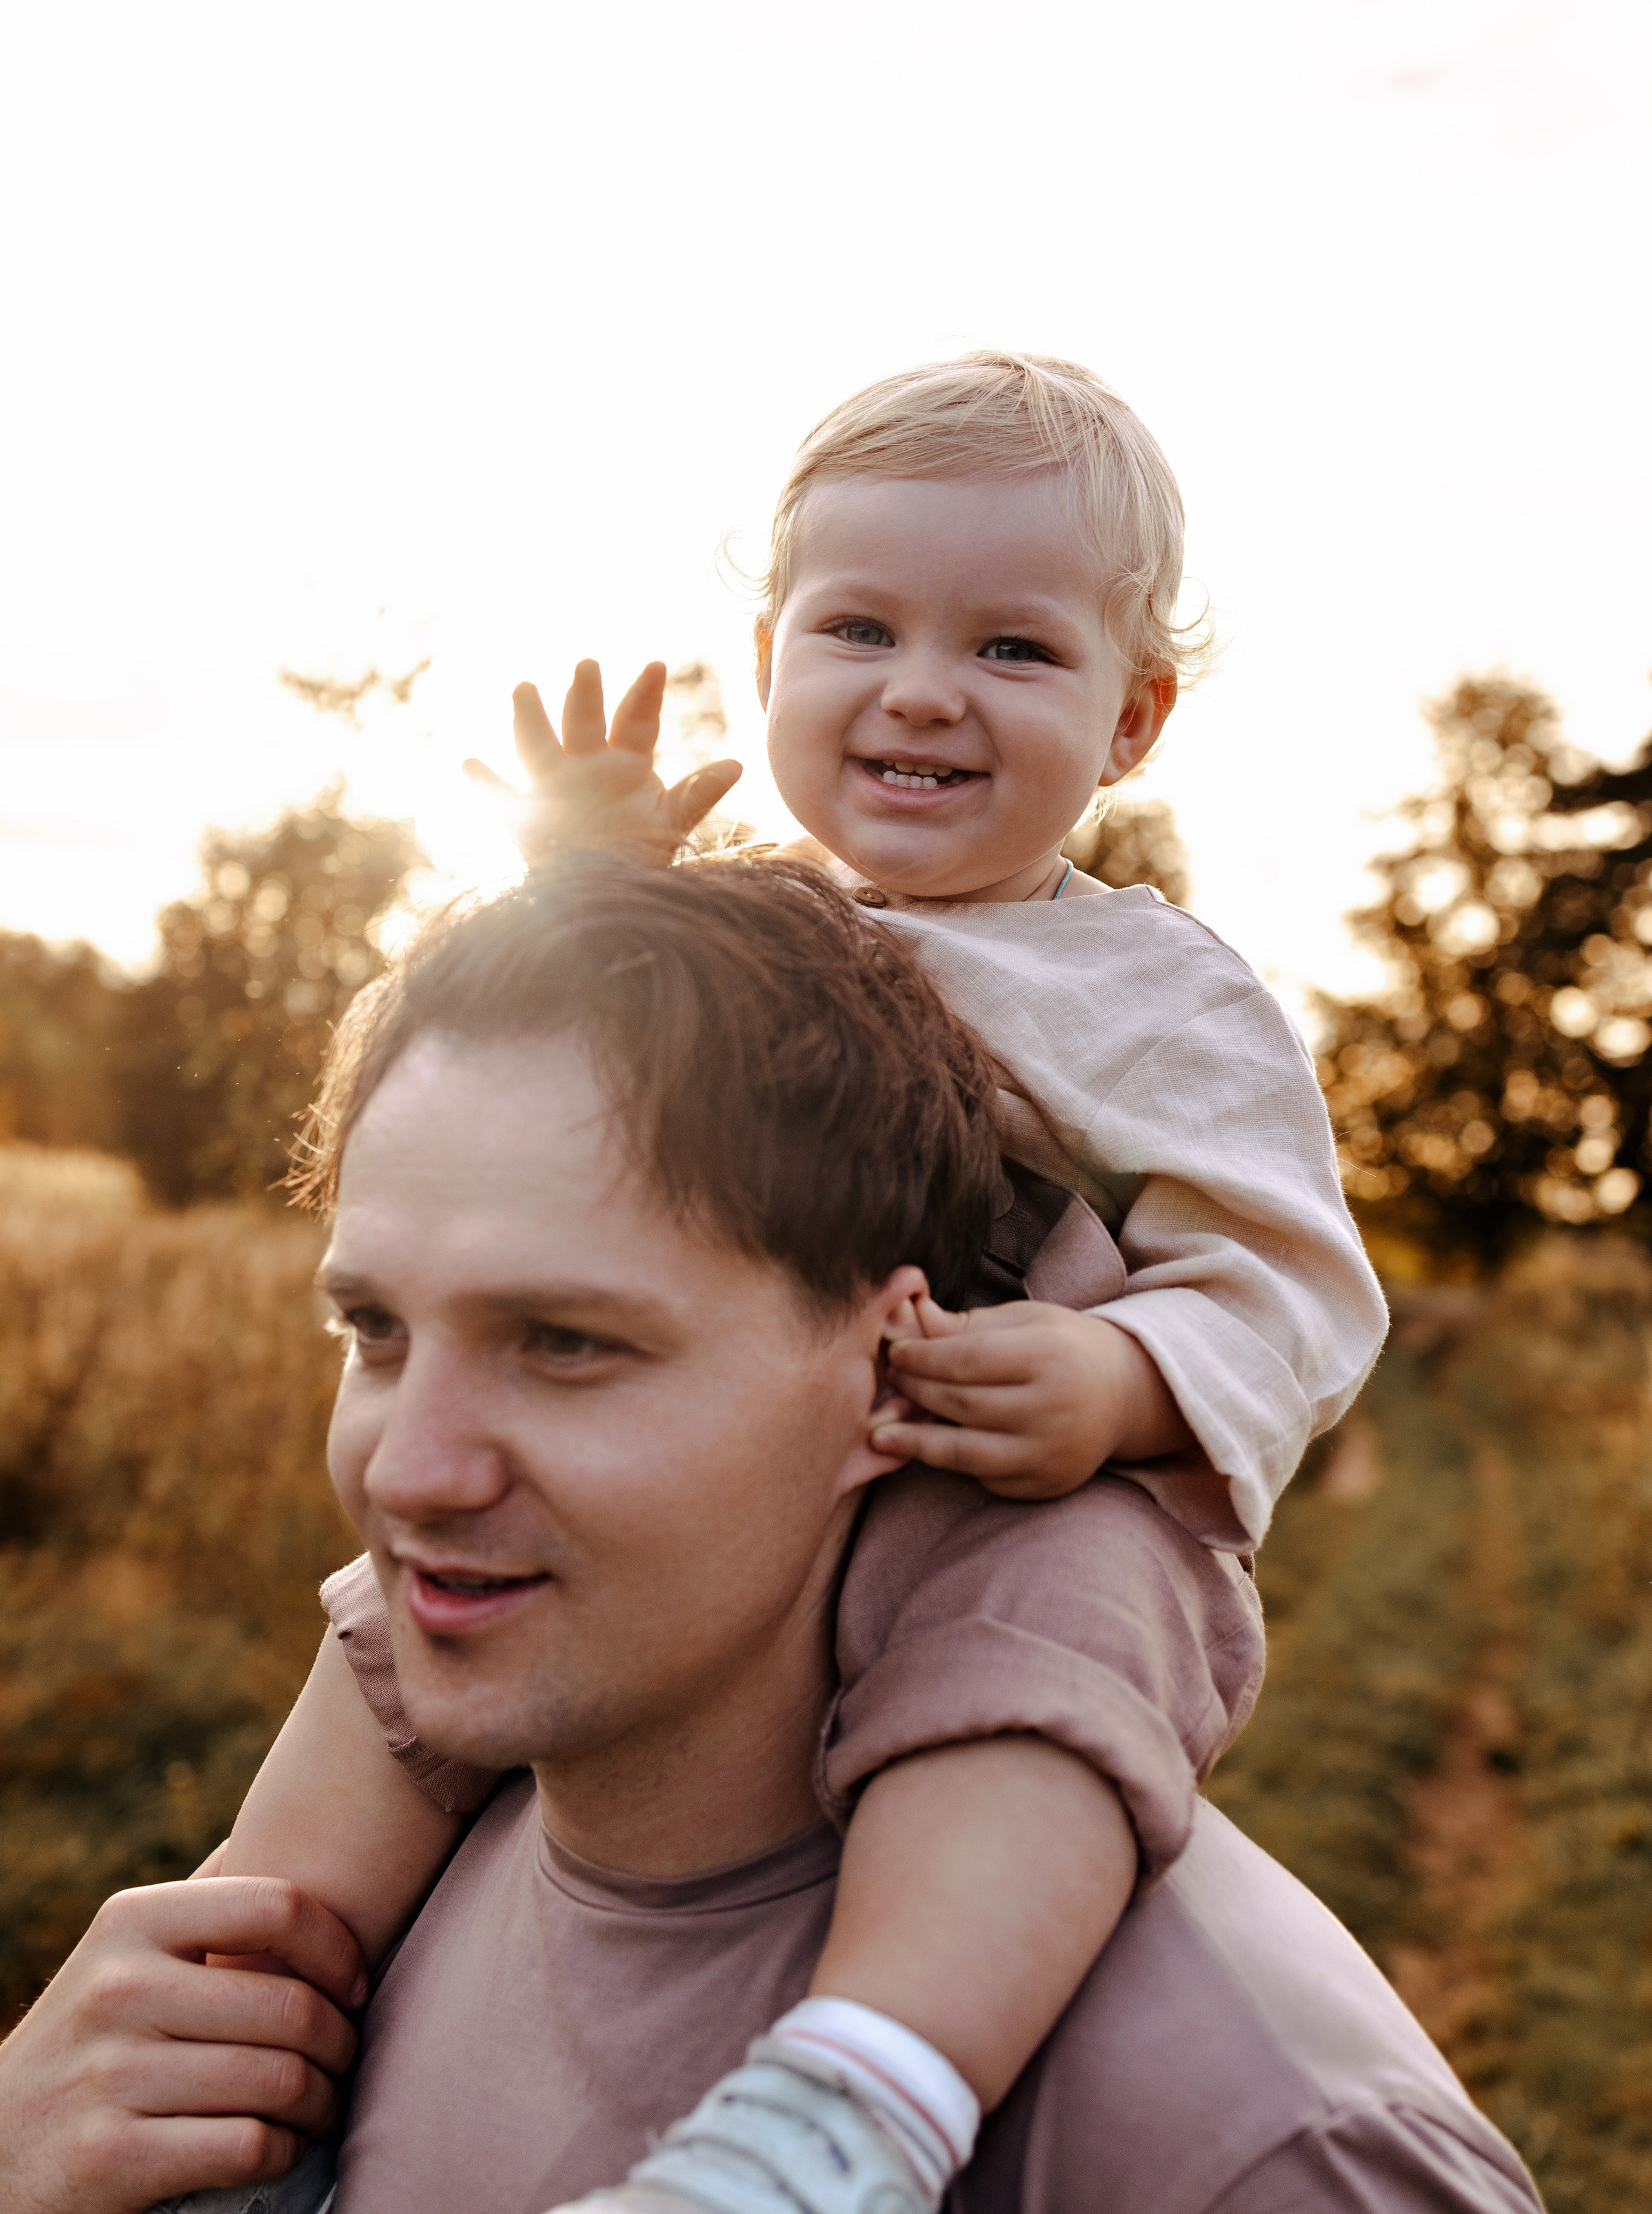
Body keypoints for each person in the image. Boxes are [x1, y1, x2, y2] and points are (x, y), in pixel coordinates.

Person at [208, 353, 1395, 2212]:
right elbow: (546, 1087)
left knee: (1042, 1673)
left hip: (1010, 1480)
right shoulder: (757, 921)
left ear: (1132, 718)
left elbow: (1300, 1289)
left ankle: (852, 2103)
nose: (919, 687)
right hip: (708, 1476)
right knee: (394, 1644)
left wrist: (1120, 1383)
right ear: (769, 657)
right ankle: (231, 2053)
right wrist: (587, 881)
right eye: (858, 628)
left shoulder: (1164, 1001)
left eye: (1012, 648)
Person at [0, 858, 1538, 2214]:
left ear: (888, 1372)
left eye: (565, 1343)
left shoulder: (1257, 2149)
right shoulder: (319, 1931)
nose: (408, 1472)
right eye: (374, 1330)